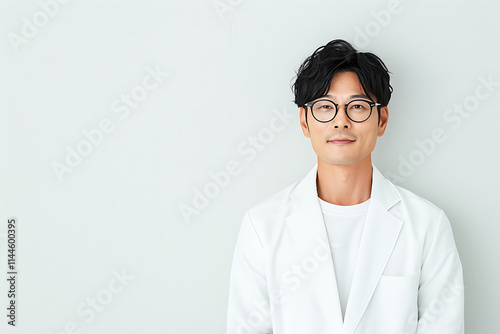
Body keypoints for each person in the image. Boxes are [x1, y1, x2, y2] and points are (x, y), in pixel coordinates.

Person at [226, 39, 464, 334]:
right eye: (325, 106)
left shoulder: (427, 225)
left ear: (381, 120)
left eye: (358, 106)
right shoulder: (262, 226)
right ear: (304, 121)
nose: (341, 121)